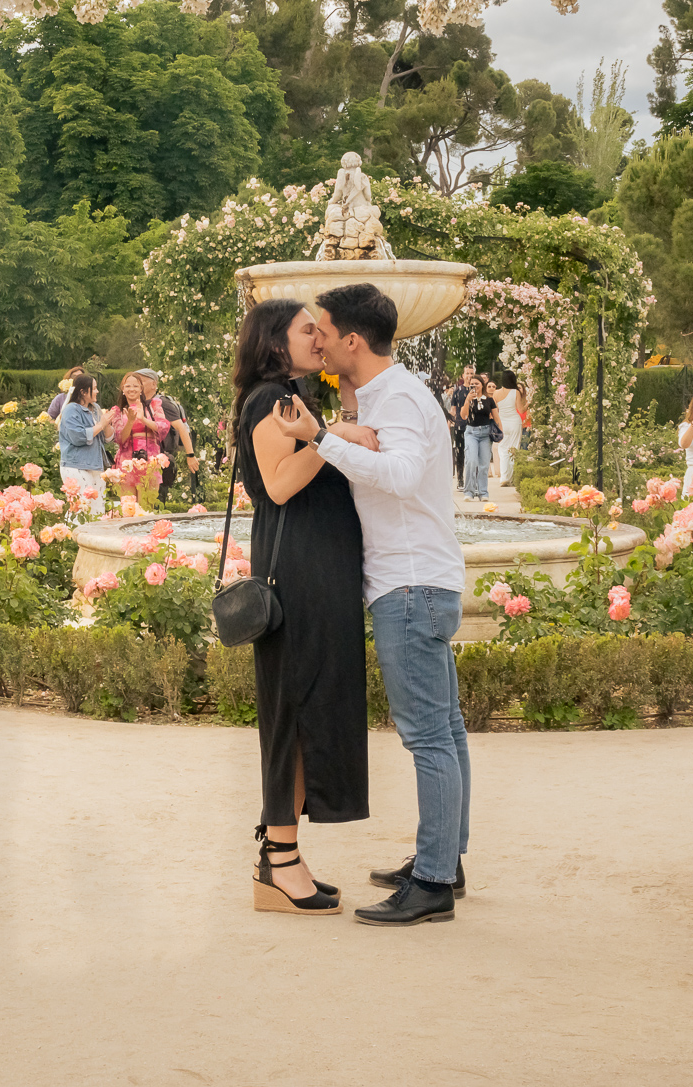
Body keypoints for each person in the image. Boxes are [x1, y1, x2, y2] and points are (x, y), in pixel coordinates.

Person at [272, 283, 469, 928]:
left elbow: (406, 475)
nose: (317, 341)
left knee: (429, 737)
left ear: (353, 339)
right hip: (419, 581)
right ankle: (445, 859)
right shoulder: (388, 394)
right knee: (447, 731)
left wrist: (323, 438)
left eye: (323, 331)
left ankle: (435, 881)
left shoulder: (401, 397)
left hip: (409, 585)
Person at [233, 299, 368, 916]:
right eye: (307, 329)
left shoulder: (291, 398)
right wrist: (332, 437)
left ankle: (282, 854)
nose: (321, 338)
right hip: (299, 575)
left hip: (317, 570)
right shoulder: (270, 400)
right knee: (294, 703)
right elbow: (281, 484)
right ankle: (278, 860)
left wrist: (333, 426)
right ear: (274, 341)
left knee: (307, 700)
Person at [137, 368, 200, 502]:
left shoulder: (162, 403)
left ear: (154, 384)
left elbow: (181, 428)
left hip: (159, 462)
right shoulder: (138, 404)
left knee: (155, 502)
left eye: (141, 381)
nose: (138, 385)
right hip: (141, 461)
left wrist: (190, 456)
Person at [106, 372, 169, 502]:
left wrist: (143, 419)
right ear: (123, 390)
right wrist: (130, 421)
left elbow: (163, 427)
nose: (132, 389)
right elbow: (119, 439)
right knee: (128, 508)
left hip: (149, 459)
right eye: (128, 386)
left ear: (141, 389)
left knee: (146, 506)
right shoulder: (118, 411)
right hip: (126, 461)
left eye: (135, 386)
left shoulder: (153, 406)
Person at [58, 373, 113, 515]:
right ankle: (73, 536)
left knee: (98, 508)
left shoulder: (95, 409)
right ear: (83, 392)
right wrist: (101, 424)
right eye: (94, 388)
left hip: (95, 466)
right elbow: (78, 437)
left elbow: (107, 438)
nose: (97, 391)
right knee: (80, 509)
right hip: (76, 466)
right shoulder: (71, 410)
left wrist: (106, 423)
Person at [459, 374, 500, 501]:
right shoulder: (468, 398)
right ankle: (469, 492)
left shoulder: (489, 399)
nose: (474, 386)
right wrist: (467, 401)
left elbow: (496, 417)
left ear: (482, 384)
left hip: (485, 434)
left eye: (477, 383)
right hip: (471, 433)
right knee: (471, 461)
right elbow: (464, 416)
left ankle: (483, 492)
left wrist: (500, 432)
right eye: (472, 384)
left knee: (484, 464)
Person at [493, 372, 525, 486]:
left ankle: (504, 477)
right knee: (514, 449)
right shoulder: (516, 392)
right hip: (515, 422)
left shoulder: (496, 393)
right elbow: (520, 410)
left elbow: (495, 411)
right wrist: (529, 404)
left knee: (502, 450)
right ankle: (511, 478)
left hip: (503, 423)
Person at [447, 365, 474, 489]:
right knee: (460, 453)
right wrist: (448, 423)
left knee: (472, 454)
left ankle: (472, 480)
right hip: (460, 426)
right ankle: (460, 480)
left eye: (472, 373)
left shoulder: (476, 390)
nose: (469, 376)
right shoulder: (458, 391)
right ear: (463, 376)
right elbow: (453, 410)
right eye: (467, 373)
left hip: (474, 426)